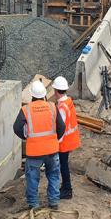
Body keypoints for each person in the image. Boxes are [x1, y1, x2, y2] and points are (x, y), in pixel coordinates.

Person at [13, 80, 65, 209]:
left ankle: (33, 204)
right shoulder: (53, 107)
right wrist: (54, 139)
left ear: (32, 95)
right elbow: (61, 127)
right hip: (52, 150)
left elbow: (17, 128)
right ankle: (53, 202)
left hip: (34, 152)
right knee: (53, 176)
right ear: (44, 95)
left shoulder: (26, 109)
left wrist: (26, 137)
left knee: (32, 179)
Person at [51, 76, 80, 200]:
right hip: (70, 139)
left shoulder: (62, 106)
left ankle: (67, 190)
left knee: (63, 166)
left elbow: (61, 127)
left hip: (64, 142)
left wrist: (56, 143)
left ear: (56, 91)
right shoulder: (68, 102)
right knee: (64, 165)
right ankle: (65, 187)